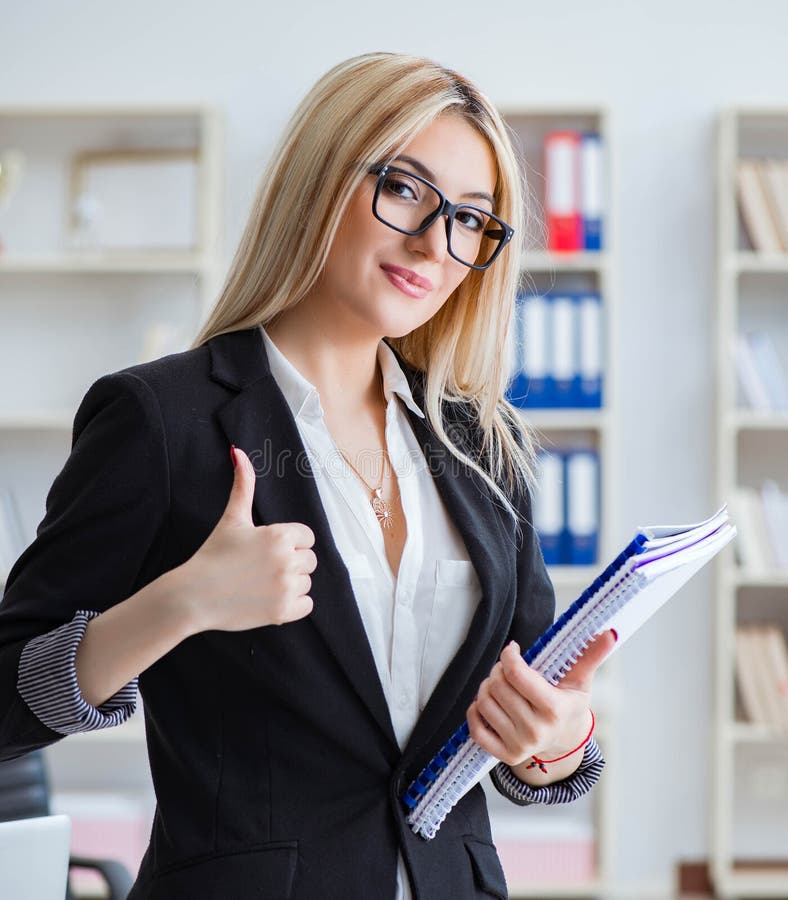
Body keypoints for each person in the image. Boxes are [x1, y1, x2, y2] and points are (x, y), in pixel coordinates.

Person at [0, 52, 616, 900]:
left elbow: (527, 741)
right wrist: (179, 605)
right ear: (323, 176)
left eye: (472, 221)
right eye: (405, 189)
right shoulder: (162, 419)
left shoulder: (479, 442)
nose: (436, 244)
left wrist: (562, 738)